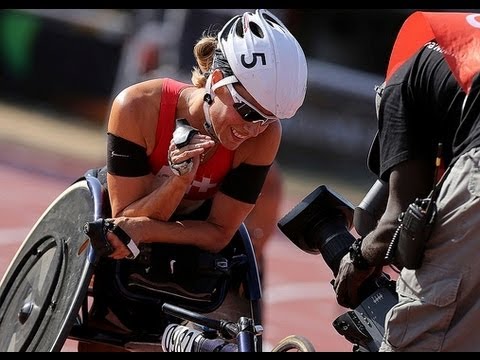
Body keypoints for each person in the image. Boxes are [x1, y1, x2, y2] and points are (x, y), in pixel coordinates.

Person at [78, 9, 307, 352]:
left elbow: (218, 233)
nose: (253, 129)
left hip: (192, 248)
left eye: (269, 119)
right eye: (246, 111)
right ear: (216, 79)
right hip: (123, 245)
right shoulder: (137, 106)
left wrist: (152, 225)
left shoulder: (264, 136)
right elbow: (124, 218)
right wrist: (176, 183)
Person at [333, 11, 480, 351]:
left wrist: (357, 261)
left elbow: (397, 217)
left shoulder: (401, 84)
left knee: (419, 333)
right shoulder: (457, 61)